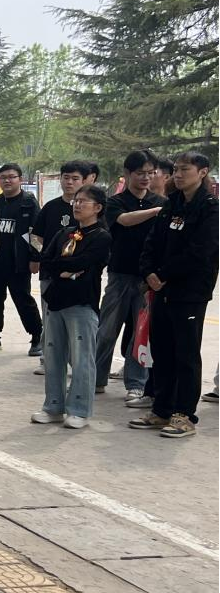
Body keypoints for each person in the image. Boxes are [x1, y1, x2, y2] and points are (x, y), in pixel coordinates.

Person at [129, 151, 220, 438]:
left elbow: (201, 252)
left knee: (186, 355)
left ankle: (184, 415)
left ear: (202, 172)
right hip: (161, 289)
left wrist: (164, 274)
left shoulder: (210, 209)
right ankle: (161, 409)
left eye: (185, 170)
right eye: (176, 170)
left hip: (189, 292)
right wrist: (148, 272)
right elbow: (152, 242)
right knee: (163, 352)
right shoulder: (171, 204)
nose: (177, 175)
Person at [32, 184, 112, 429]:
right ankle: (53, 406)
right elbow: (47, 260)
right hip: (56, 300)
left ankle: (79, 409)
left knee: (81, 358)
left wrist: (69, 267)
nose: (77, 205)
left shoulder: (101, 236)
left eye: (83, 201)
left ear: (97, 208)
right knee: (53, 355)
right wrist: (66, 269)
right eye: (76, 201)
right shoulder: (64, 233)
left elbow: (86, 263)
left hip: (81, 301)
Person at [96, 151, 166, 406]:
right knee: (106, 330)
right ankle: (95, 378)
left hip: (147, 278)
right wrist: (157, 211)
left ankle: (136, 384)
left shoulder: (160, 201)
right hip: (120, 274)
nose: (146, 178)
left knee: (140, 333)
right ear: (127, 174)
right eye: (140, 173)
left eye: (150, 173)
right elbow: (124, 221)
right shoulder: (115, 202)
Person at [30, 161, 91, 377]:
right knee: (50, 318)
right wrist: (43, 256)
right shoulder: (51, 207)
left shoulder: (89, 209)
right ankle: (48, 359)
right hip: (51, 274)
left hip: (80, 275)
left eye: (75, 178)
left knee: (75, 321)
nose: (69, 182)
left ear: (84, 181)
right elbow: (36, 236)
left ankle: (76, 363)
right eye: (66, 178)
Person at [0, 163, 43, 356]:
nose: (7, 181)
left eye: (11, 177)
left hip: (19, 262)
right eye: (3, 177)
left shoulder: (29, 203)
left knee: (23, 300)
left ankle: (37, 336)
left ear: (20, 179)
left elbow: (37, 234)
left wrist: (35, 257)